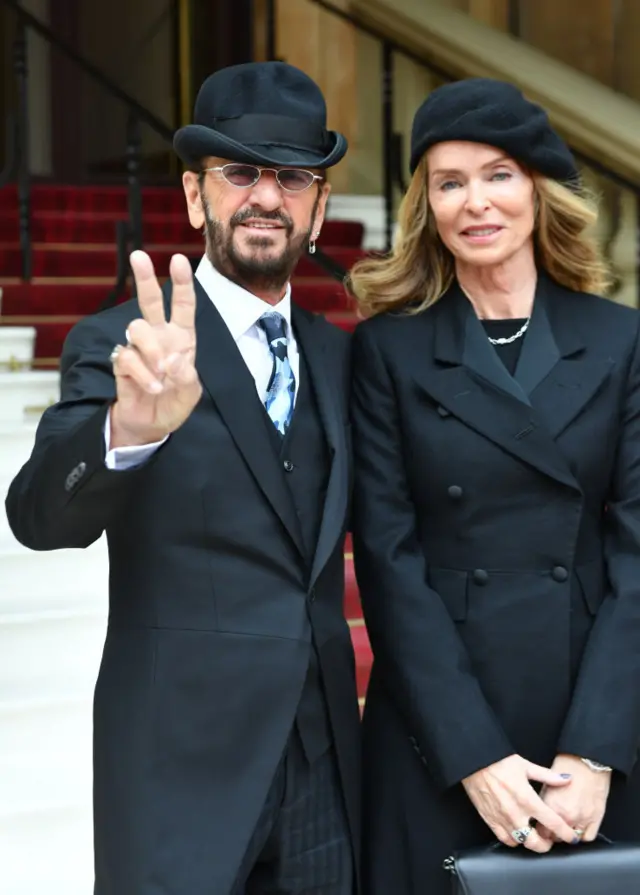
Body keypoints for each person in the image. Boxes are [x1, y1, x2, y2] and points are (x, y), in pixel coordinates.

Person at [6, 61, 360, 895]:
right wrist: (128, 430)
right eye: (241, 174)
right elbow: (37, 515)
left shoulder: (345, 358)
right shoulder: (121, 342)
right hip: (177, 772)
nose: (267, 198)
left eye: (293, 179)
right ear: (198, 198)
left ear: (319, 206)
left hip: (323, 774)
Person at [348, 77, 640, 894]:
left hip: (593, 727)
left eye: (499, 173)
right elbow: (388, 562)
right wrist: (472, 754)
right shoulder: (387, 352)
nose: (475, 201)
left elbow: (638, 556)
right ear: (427, 205)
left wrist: (595, 751)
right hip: (439, 735)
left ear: (539, 188)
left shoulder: (621, 341)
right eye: (449, 181)